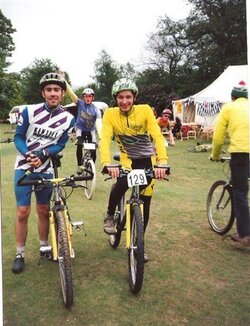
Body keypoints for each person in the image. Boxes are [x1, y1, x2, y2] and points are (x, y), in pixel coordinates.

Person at [99, 78, 169, 262]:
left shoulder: (145, 110)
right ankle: (109, 214)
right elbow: (105, 139)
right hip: (127, 160)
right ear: (115, 98)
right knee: (121, 183)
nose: (124, 101)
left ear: (134, 97)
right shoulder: (110, 114)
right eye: (120, 97)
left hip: (147, 161)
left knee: (144, 204)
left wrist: (162, 162)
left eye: (128, 97)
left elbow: (157, 136)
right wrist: (106, 163)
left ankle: (138, 244)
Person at [12, 72, 75, 274]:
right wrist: (29, 154)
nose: (52, 93)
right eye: (49, 90)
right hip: (24, 166)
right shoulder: (29, 112)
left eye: (56, 90)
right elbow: (18, 137)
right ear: (43, 93)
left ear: (62, 93)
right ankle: (19, 254)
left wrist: (44, 153)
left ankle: (44, 247)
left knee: (43, 210)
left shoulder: (68, 119)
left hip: (46, 169)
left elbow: (60, 144)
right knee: (23, 212)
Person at [211, 81, 250, 247]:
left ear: (232, 97)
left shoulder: (229, 107)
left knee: (240, 192)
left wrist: (215, 154)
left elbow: (219, 135)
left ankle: (245, 235)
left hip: (240, 152)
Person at [61, 73, 102, 174]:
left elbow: (99, 124)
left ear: (93, 98)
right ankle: (79, 165)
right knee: (79, 145)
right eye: (86, 96)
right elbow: (70, 93)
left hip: (91, 131)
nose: (88, 98)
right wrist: (64, 80)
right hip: (80, 129)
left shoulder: (96, 110)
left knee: (94, 149)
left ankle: (91, 168)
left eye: (90, 96)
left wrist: (101, 138)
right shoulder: (79, 103)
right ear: (83, 97)